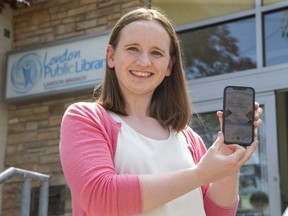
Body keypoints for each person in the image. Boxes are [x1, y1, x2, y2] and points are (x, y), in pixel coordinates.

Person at [59, 7, 263, 216]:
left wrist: (229, 161)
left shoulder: (188, 138)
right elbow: (101, 197)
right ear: (110, 56)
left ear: (169, 66)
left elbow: (215, 213)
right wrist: (200, 174)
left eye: (156, 53)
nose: (144, 61)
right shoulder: (85, 118)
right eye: (132, 48)